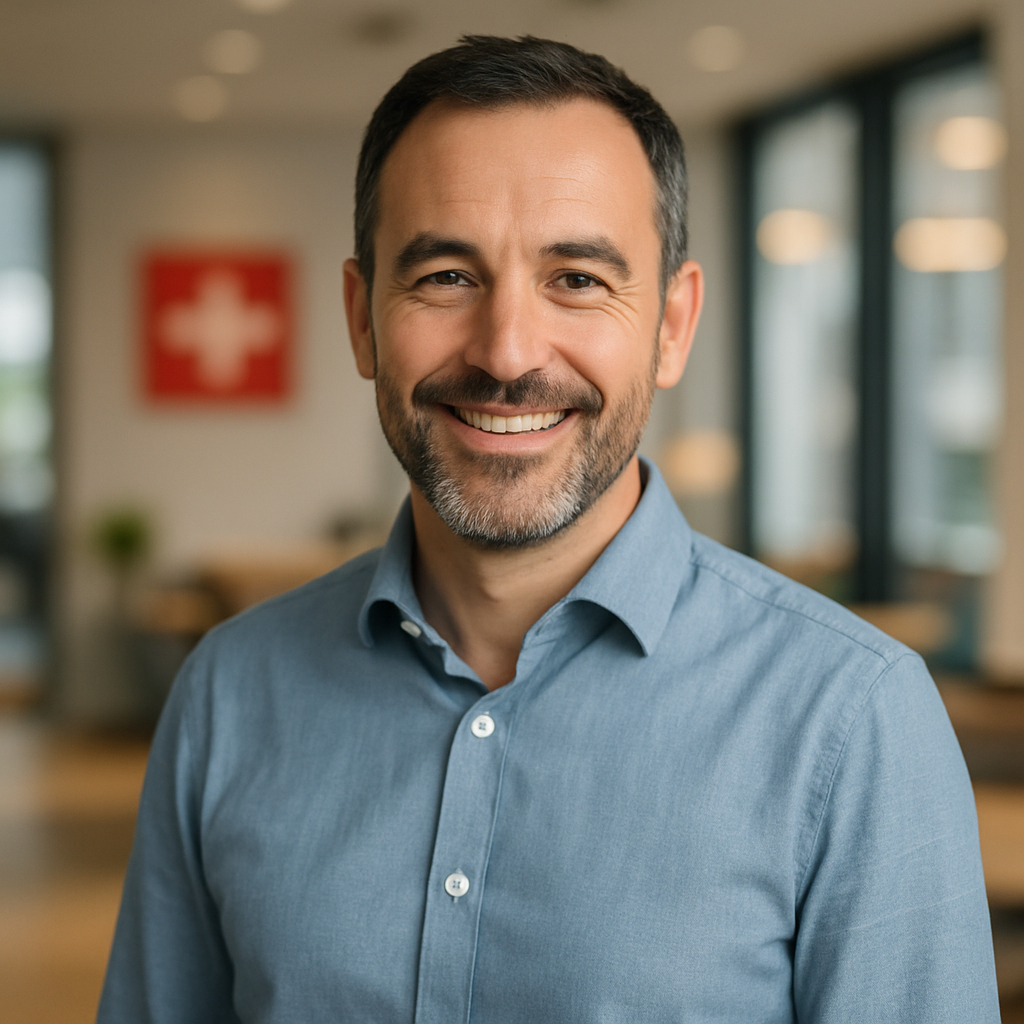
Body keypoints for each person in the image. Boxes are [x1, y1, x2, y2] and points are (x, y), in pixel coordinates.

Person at [98, 36, 1000, 1023]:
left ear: (671, 325)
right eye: (447, 275)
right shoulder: (228, 695)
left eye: (576, 279)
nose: (507, 353)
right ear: (361, 318)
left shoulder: (851, 719)